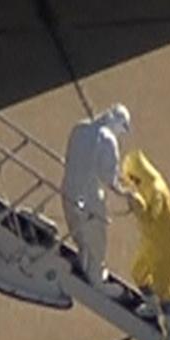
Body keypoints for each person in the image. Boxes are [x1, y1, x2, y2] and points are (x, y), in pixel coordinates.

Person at [122, 148, 170, 340]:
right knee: (139, 271)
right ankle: (153, 307)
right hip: (154, 239)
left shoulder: (156, 190)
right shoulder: (147, 186)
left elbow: (151, 218)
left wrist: (137, 206)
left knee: (163, 285)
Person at [61, 104, 132, 296]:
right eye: (123, 129)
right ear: (118, 124)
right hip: (89, 198)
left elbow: (68, 158)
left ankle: (84, 262)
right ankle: (97, 280)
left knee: (81, 235)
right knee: (97, 238)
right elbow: (109, 177)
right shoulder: (107, 140)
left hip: (68, 190)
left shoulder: (79, 128)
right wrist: (126, 193)